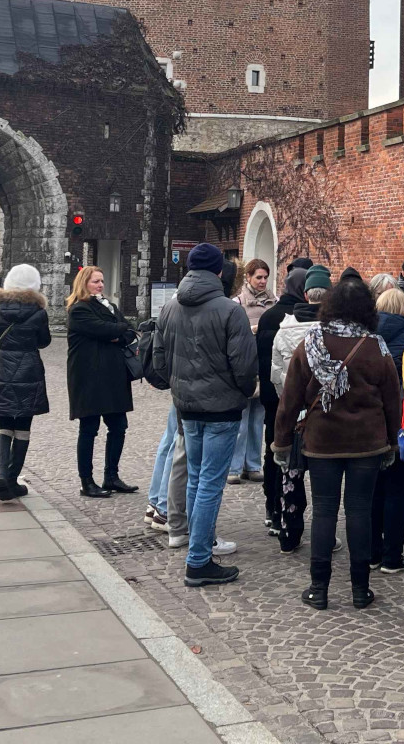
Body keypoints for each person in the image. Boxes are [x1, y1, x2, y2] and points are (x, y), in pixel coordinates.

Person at [274, 277, 402, 610]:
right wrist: (393, 443)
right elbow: (393, 401)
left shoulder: (311, 342)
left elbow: (290, 398)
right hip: (367, 443)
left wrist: (281, 441)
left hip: (322, 441)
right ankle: (360, 589)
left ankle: (319, 589)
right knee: (359, 511)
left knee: (324, 511)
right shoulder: (376, 346)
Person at [153, 241, 258, 588]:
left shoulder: (170, 307)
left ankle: (200, 547)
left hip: (187, 406)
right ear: (218, 271)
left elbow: (159, 361)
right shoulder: (230, 310)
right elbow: (245, 366)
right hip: (221, 409)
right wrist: (242, 392)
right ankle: (198, 559)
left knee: (197, 479)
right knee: (209, 483)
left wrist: (178, 387)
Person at [270, 266, 331, 550]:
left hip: (294, 413)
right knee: (324, 482)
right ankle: (324, 537)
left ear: (305, 295)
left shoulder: (284, 330)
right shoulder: (333, 332)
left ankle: (289, 534)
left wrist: (289, 403)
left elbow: (276, 374)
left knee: (292, 476)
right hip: (324, 415)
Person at [0, 264, 51, 501]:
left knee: (3, 426)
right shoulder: (38, 312)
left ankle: (1, 474)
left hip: (2, 369)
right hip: (28, 373)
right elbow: (44, 341)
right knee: (22, 429)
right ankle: (12, 480)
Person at [66, 265, 137, 498]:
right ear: (84, 283)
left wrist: (118, 333)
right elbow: (104, 329)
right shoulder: (79, 309)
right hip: (89, 377)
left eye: (102, 281)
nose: (100, 285)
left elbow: (128, 331)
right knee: (89, 429)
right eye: (95, 281)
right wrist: (117, 331)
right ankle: (86, 481)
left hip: (113, 376)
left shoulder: (110, 306)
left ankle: (111, 476)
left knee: (119, 426)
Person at [254, 258, 311, 536]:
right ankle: (289, 510)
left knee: (273, 449)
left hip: (272, 395)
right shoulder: (306, 318)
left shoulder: (269, 316)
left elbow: (262, 360)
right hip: (298, 399)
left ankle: (272, 506)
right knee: (298, 454)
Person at [370, 286, 404, 573]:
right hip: (401, 421)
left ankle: (372, 552)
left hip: (371, 422)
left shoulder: (366, 337)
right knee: (398, 491)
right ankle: (392, 556)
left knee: (372, 490)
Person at [230, 258, 275, 484]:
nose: (262, 281)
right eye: (258, 277)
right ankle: (234, 467)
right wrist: (253, 329)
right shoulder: (237, 303)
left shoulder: (274, 302)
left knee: (258, 419)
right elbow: (233, 333)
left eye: (265, 277)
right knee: (241, 419)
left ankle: (253, 465)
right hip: (245, 365)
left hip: (264, 365)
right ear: (248, 277)